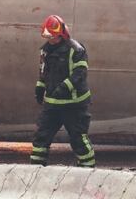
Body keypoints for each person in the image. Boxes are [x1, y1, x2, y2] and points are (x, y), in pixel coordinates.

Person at [31, 14, 96, 168]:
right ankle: (35, 170)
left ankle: (87, 170)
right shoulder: (45, 51)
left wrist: (64, 87)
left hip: (74, 105)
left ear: (62, 34)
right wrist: (40, 86)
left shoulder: (76, 50)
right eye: (48, 36)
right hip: (52, 104)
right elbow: (43, 72)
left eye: (53, 36)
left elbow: (79, 73)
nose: (50, 40)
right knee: (41, 137)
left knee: (78, 139)